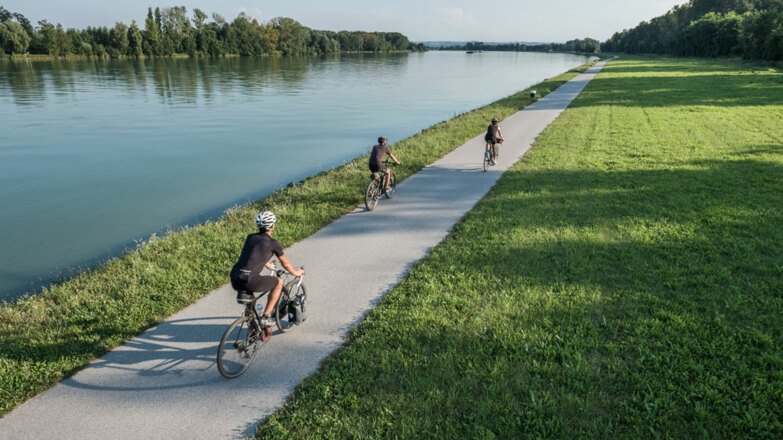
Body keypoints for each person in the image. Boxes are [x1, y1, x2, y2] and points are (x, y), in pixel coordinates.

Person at [230, 211, 304, 327]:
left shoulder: (250, 238)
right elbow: (285, 263)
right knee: (279, 283)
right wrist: (295, 272)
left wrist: (266, 264)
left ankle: (252, 329)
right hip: (250, 280)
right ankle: (265, 317)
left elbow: (252, 255)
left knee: (250, 303)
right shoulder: (273, 243)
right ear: (273, 226)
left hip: (235, 277)